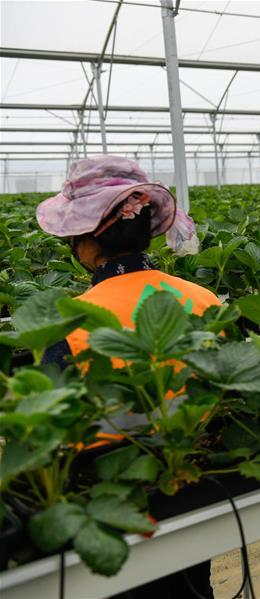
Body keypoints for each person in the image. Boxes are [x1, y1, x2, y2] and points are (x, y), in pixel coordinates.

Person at [37, 155, 219, 599]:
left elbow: (54, 434)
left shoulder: (70, 321)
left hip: (112, 505)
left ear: (84, 242)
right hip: (199, 486)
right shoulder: (204, 299)